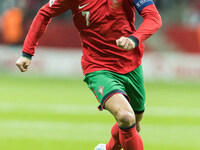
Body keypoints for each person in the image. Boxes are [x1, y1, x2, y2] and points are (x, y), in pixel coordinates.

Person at [16, 0, 162, 149]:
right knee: (125, 117)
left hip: (132, 65)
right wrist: (27, 52)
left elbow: (154, 18)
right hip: (98, 67)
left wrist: (134, 39)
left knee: (134, 125)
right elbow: (44, 13)